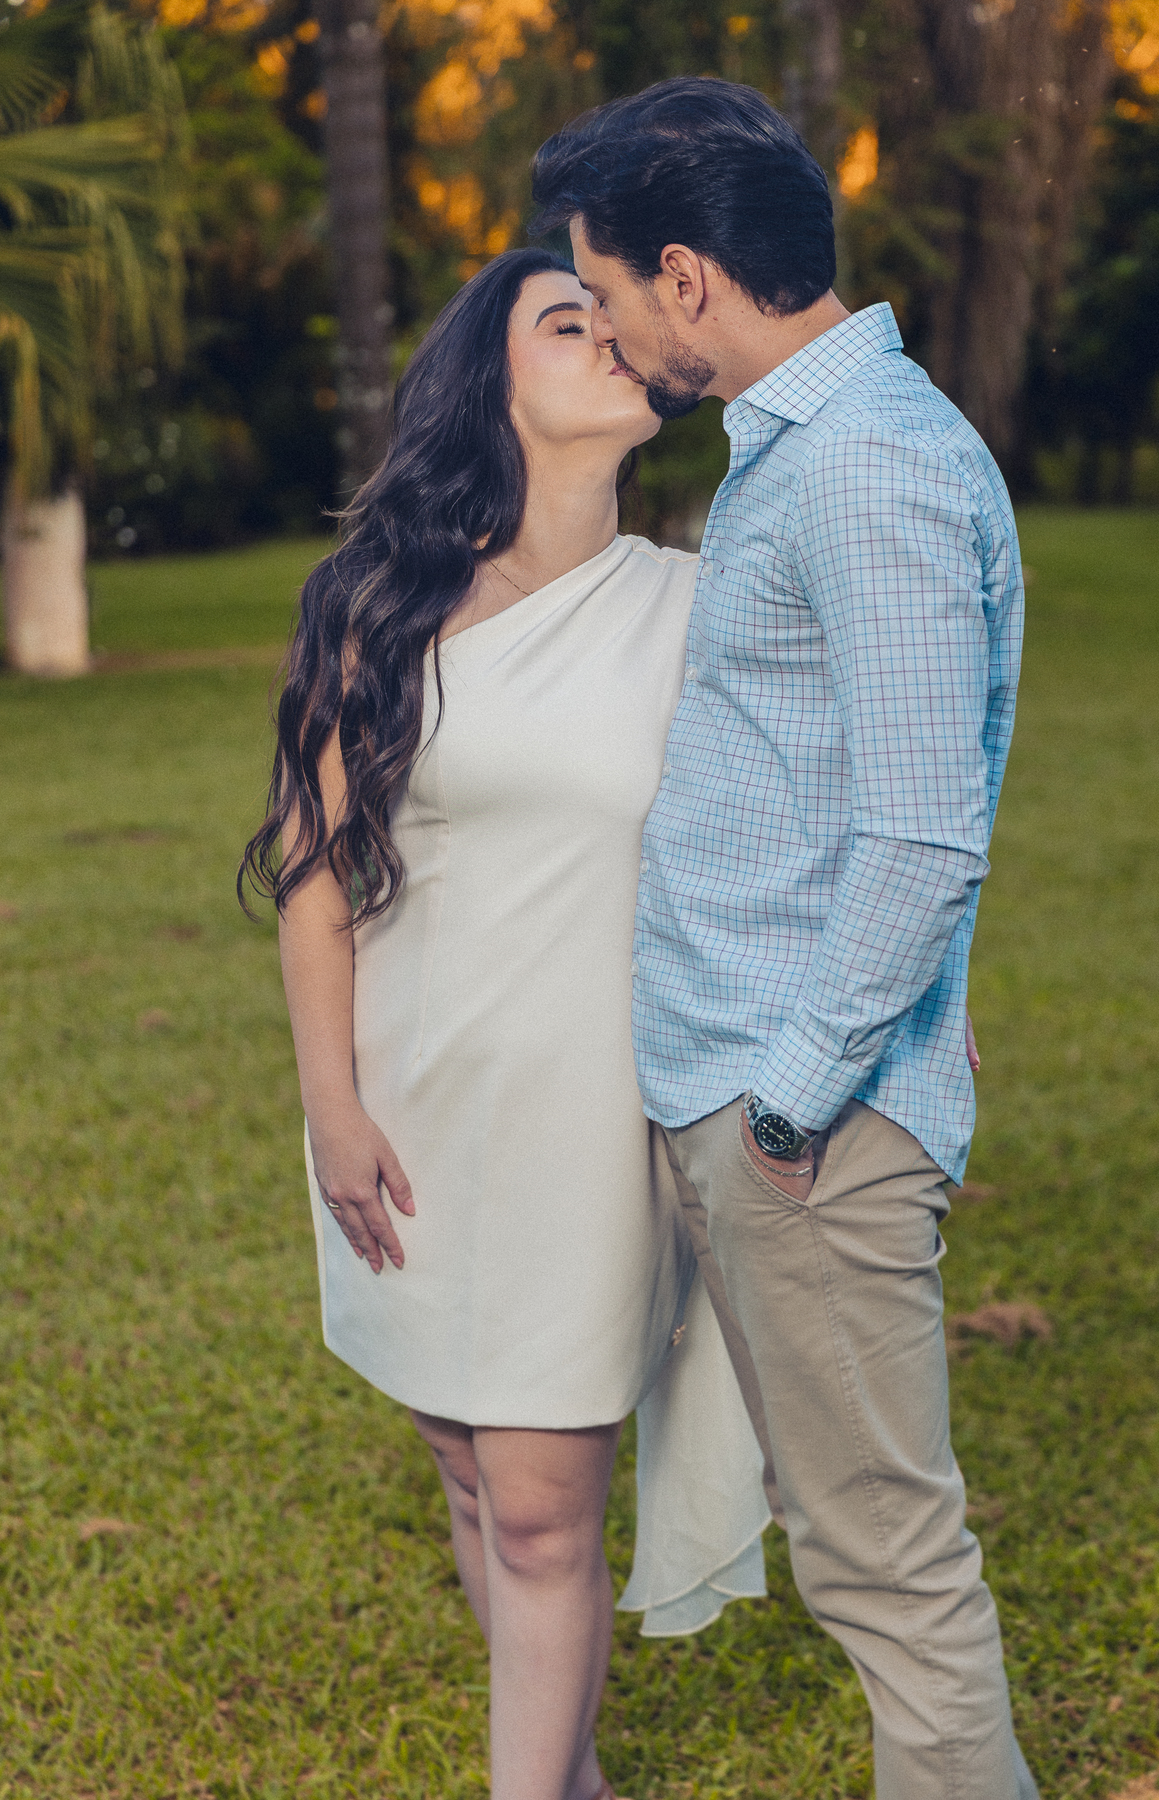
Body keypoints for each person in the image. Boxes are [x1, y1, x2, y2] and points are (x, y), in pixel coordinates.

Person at [532, 77, 1036, 1800]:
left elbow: (921, 833)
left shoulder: (866, 470)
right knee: (864, 1555)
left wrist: (793, 1101)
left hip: (807, 1116)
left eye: (605, 295)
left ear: (686, 277)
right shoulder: (816, 450)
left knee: (888, 1567)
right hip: (775, 1085)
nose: (606, 332)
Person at [238, 246, 770, 1800]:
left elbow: (800, 836)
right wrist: (332, 1107)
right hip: (409, 1110)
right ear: (493, 379)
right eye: (566, 321)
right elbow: (314, 876)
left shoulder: (698, 606)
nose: (610, 338)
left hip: (586, 1120)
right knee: (472, 1473)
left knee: (540, 1507)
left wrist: (904, 992)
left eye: (615, 320)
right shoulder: (377, 600)